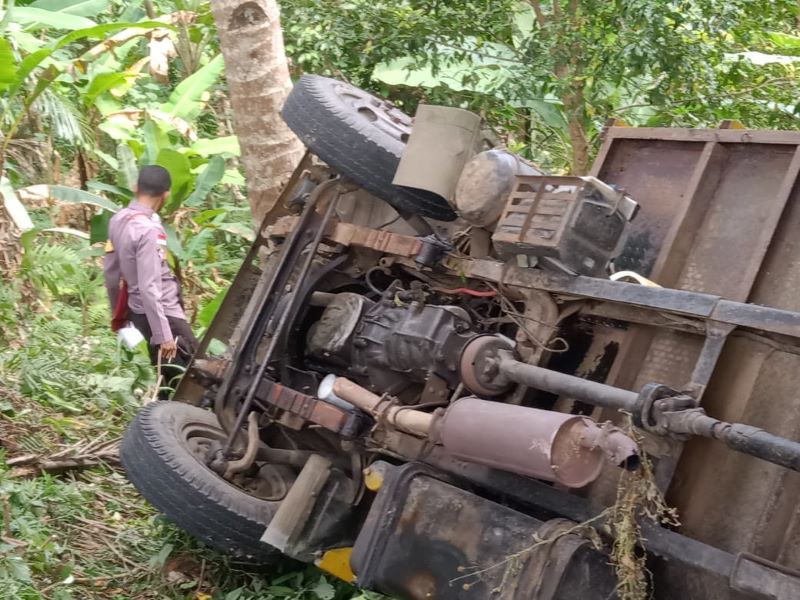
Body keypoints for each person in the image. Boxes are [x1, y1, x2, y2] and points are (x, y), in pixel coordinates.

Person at [104, 165, 198, 395]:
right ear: (166, 195)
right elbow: (149, 286)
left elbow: (111, 275)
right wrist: (163, 335)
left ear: (135, 188)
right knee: (192, 379)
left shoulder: (117, 220)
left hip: (139, 314)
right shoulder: (149, 230)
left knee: (165, 376)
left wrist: (120, 316)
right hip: (164, 315)